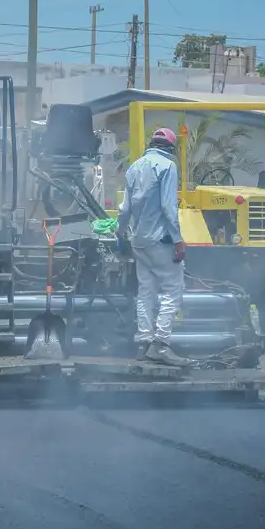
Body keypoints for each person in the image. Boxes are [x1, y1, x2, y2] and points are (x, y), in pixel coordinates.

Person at [115, 127, 192, 367]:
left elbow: (124, 209)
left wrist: (120, 234)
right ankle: (160, 344)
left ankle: (144, 343)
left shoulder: (134, 167)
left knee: (145, 292)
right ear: (170, 148)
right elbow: (169, 208)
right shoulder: (168, 167)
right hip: (160, 240)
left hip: (138, 241)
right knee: (172, 290)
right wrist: (178, 239)